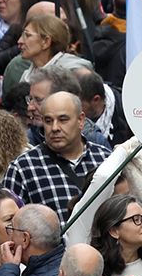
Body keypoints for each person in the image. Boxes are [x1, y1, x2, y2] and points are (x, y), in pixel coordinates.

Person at [6, 91, 111, 224]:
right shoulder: (23, 168)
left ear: (81, 120)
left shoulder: (105, 159)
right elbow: (10, 224)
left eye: (63, 120)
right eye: (48, 121)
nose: (54, 128)